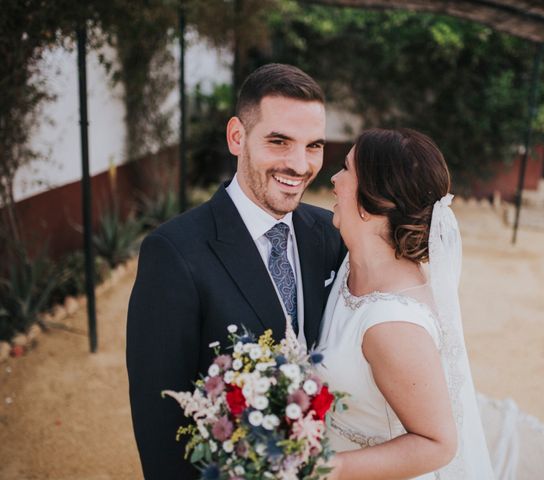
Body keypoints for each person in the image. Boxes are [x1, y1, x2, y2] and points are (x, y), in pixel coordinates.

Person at [126, 63, 346, 479]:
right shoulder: (173, 253)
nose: (299, 165)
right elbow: (161, 422)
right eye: (279, 141)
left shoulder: (328, 234)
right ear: (236, 137)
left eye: (313, 146)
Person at [318, 128, 495, 479]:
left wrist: (325, 468)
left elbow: (438, 443)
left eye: (346, 169)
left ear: (371, 202)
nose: (335, 179)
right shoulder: (353, 263)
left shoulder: (393, 325)